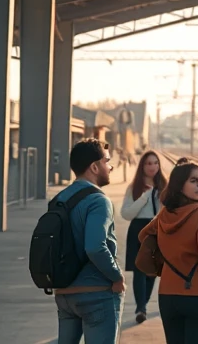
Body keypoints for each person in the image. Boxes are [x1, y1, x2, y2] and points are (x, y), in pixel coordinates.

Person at [139, 158, 198, 344]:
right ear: (180, 185)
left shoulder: (165, 213)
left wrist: (167, 250)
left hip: (168, 296)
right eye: (194, 181)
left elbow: (143, 235)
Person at [54, 139, 126, 344]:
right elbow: (95, 246)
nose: (110, 167)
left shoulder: (60, 198)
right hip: (96, 294)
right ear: (94, 167)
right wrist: (116, 276)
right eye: (107, 162)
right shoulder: (98, 200)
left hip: (65, 294)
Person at [121, 150, 167, 324]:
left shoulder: (165, 187)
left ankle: (143, 305)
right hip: (139, 229)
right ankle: (141, 308)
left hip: (157, 230)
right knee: (139, 270)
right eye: (148, 163)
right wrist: (144, 198)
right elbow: (126, 214)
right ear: (142, 166)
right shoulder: (134, 188)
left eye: (155, 163)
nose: (152, 167)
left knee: (152, 271)